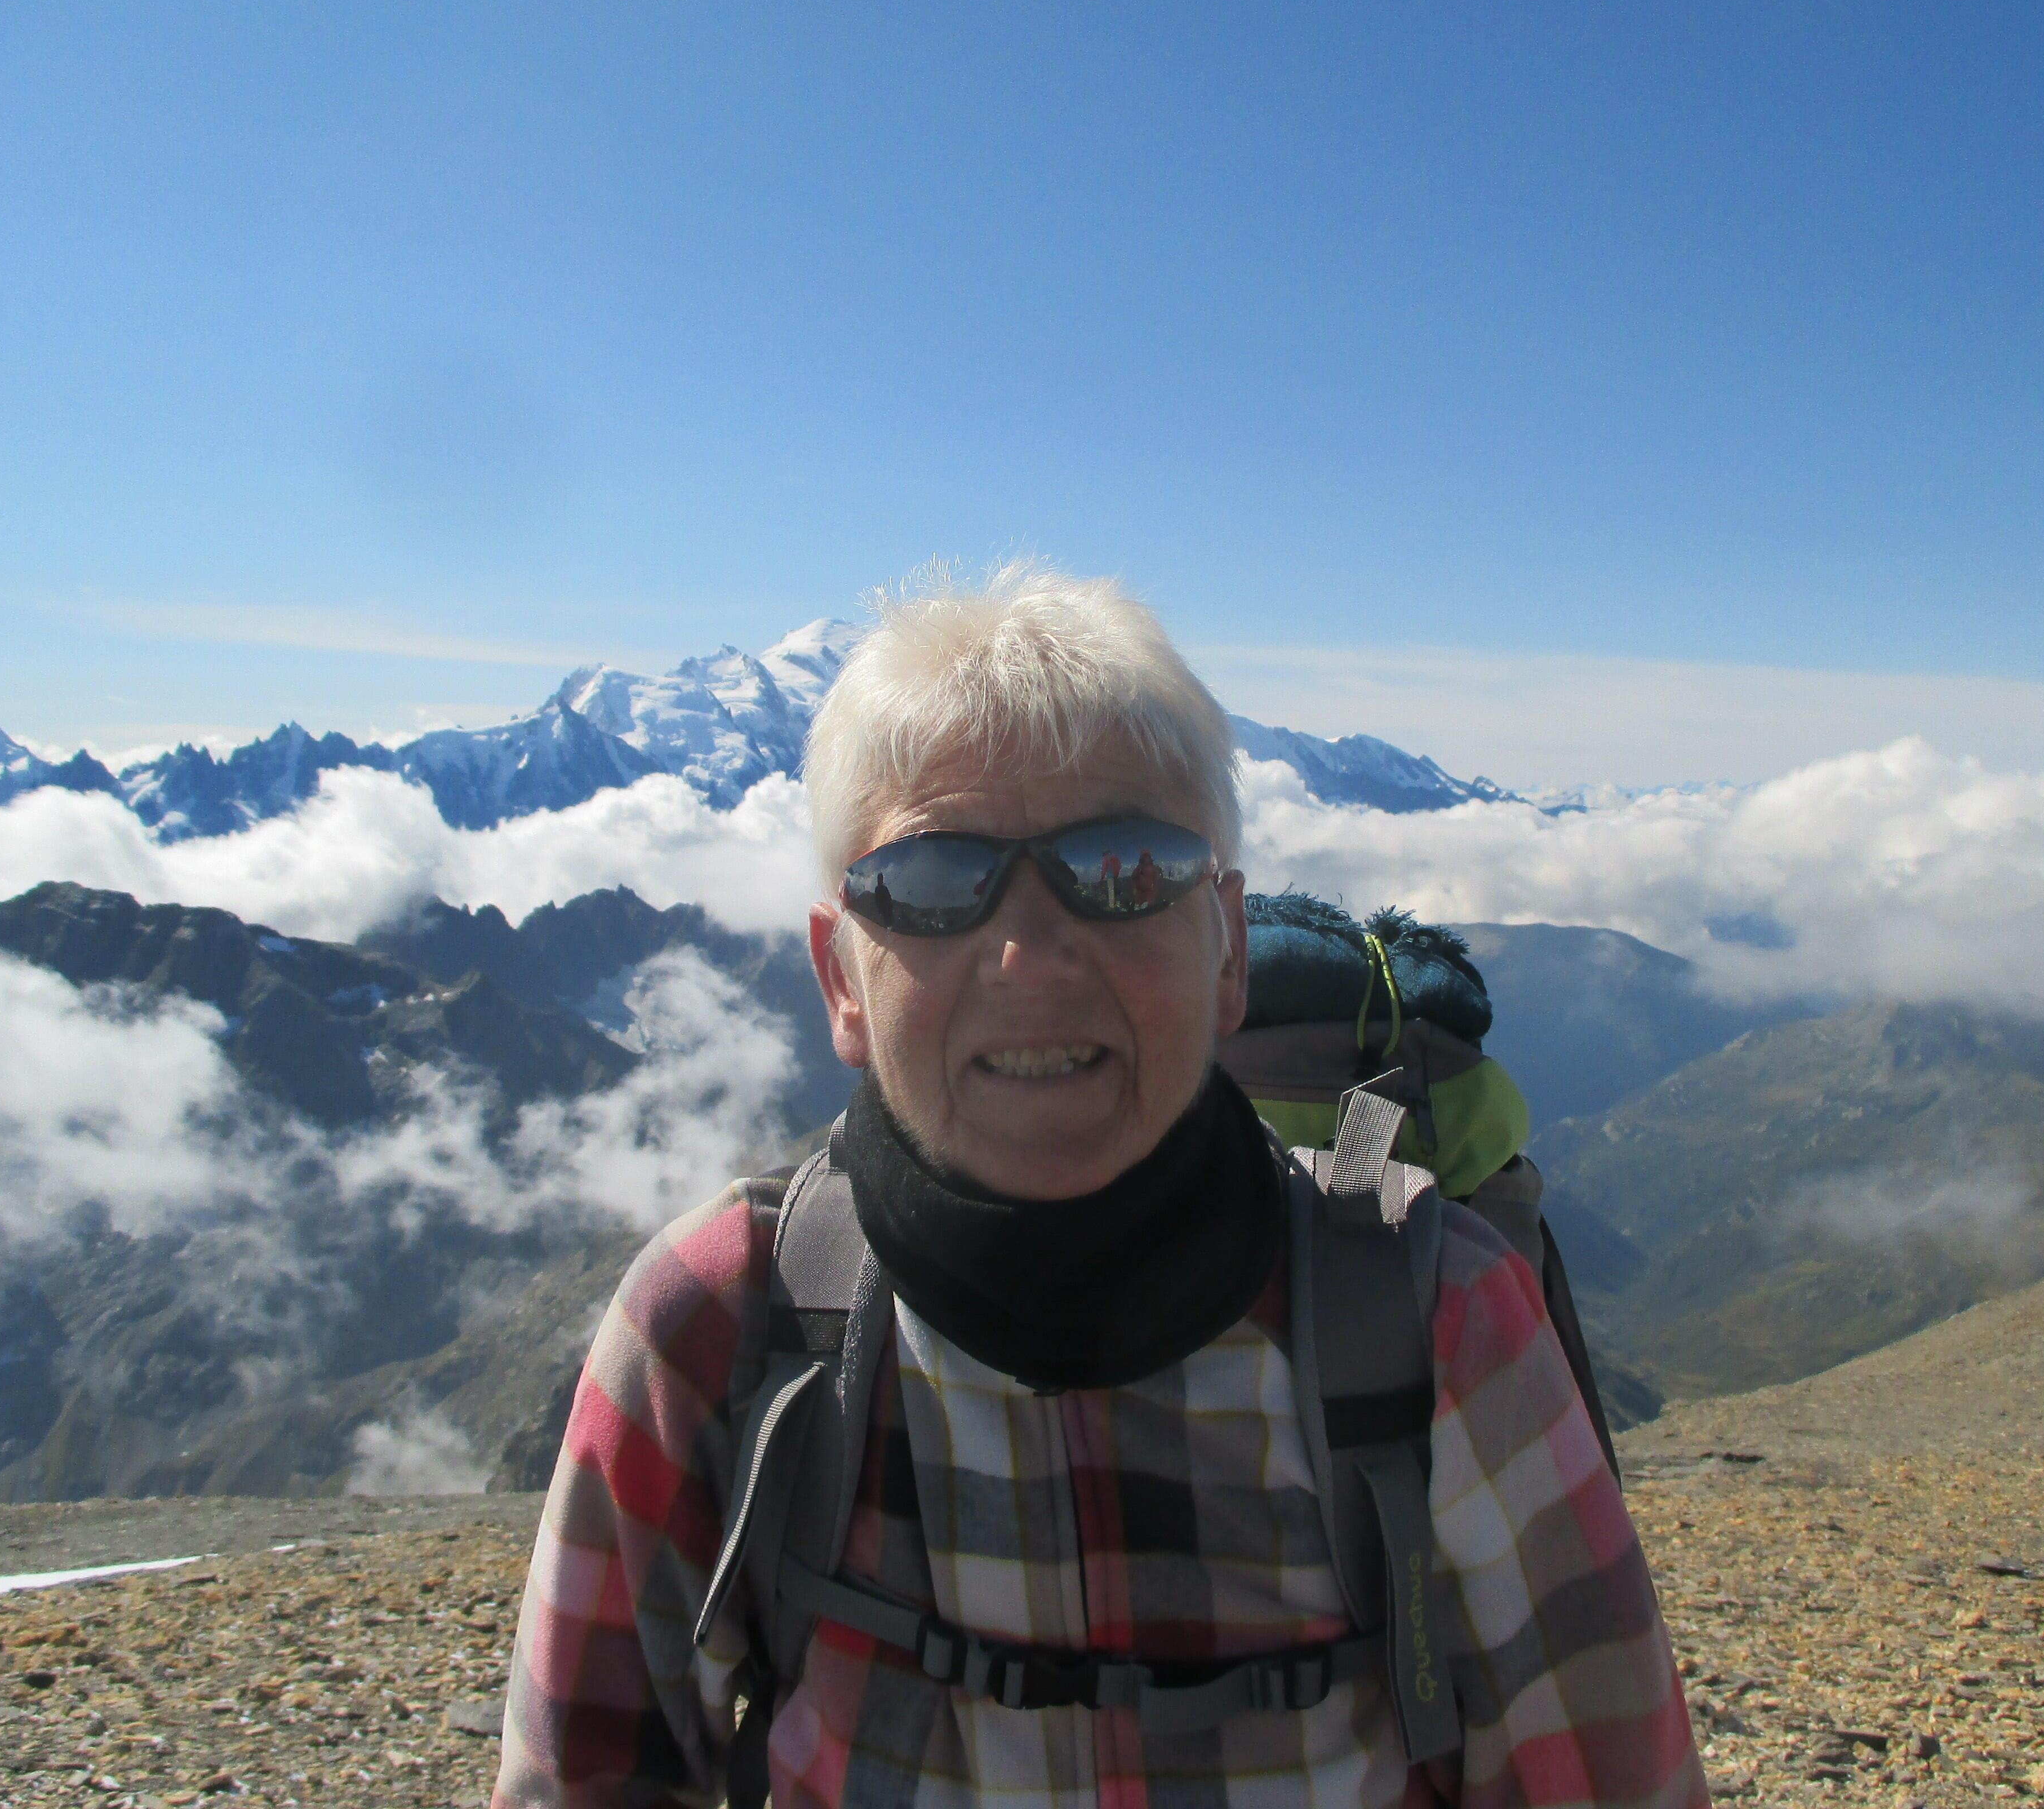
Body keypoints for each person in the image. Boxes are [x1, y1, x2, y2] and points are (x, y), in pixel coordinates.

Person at [493, 562, 1706, 1807]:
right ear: (842, 981)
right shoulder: (708, 1326)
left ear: (1227, 952)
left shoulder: (1446, 1323)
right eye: (931, 883)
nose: (1030, 957)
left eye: (1125, 869)